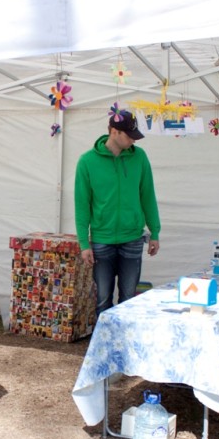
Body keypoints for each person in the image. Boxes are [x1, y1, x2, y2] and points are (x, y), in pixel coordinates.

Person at [74, 109, 160, 317]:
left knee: (128, 298)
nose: (133, 141)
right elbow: (82, 205)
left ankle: (125, 344)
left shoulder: (139, 157)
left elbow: (147, 195)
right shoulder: (87, 162)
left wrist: (154, 232)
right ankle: (102, 346)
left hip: (132, 237)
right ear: (113, 131)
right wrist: (84, 244)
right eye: (129, 136)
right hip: (102, 240)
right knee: (103, 298)